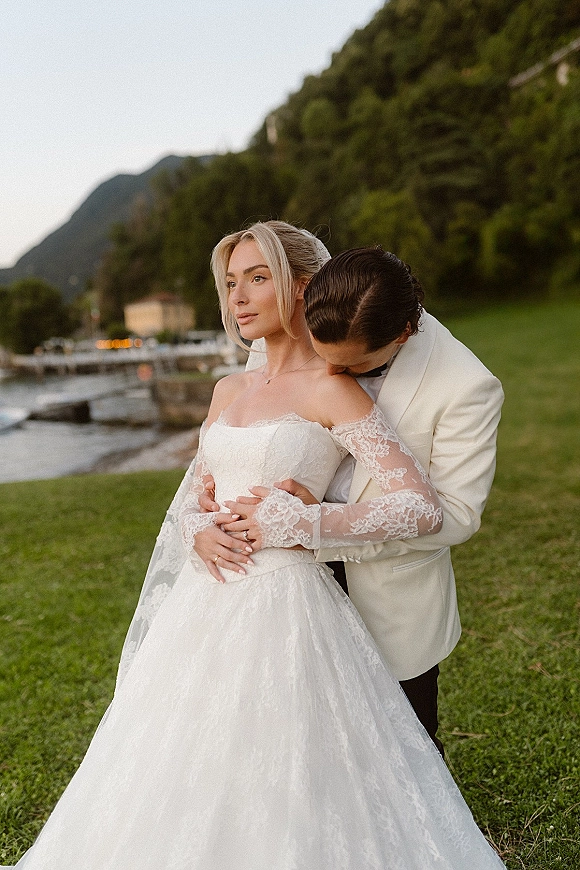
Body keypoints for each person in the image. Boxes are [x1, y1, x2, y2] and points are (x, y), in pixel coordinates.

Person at [2, 222, 505, 869]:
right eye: (231, 282)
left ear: (302, 289)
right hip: (211, 596)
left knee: (377, 755)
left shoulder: (432, 382)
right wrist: (196, 528)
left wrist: (305, 520)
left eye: (256, 279)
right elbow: (201, 484)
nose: (238, 297)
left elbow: (443, 511)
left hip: (338, 587)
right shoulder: (238, 381)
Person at [201, 245, 504, 756]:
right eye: (322, 354)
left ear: (401, 334)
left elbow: (456, 515)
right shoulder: (320, 318)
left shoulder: (466, 387)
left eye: (353, 365)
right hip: (277, 584)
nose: (332, 375)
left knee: (403, 745)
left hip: (386, 587)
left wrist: (314, 521)